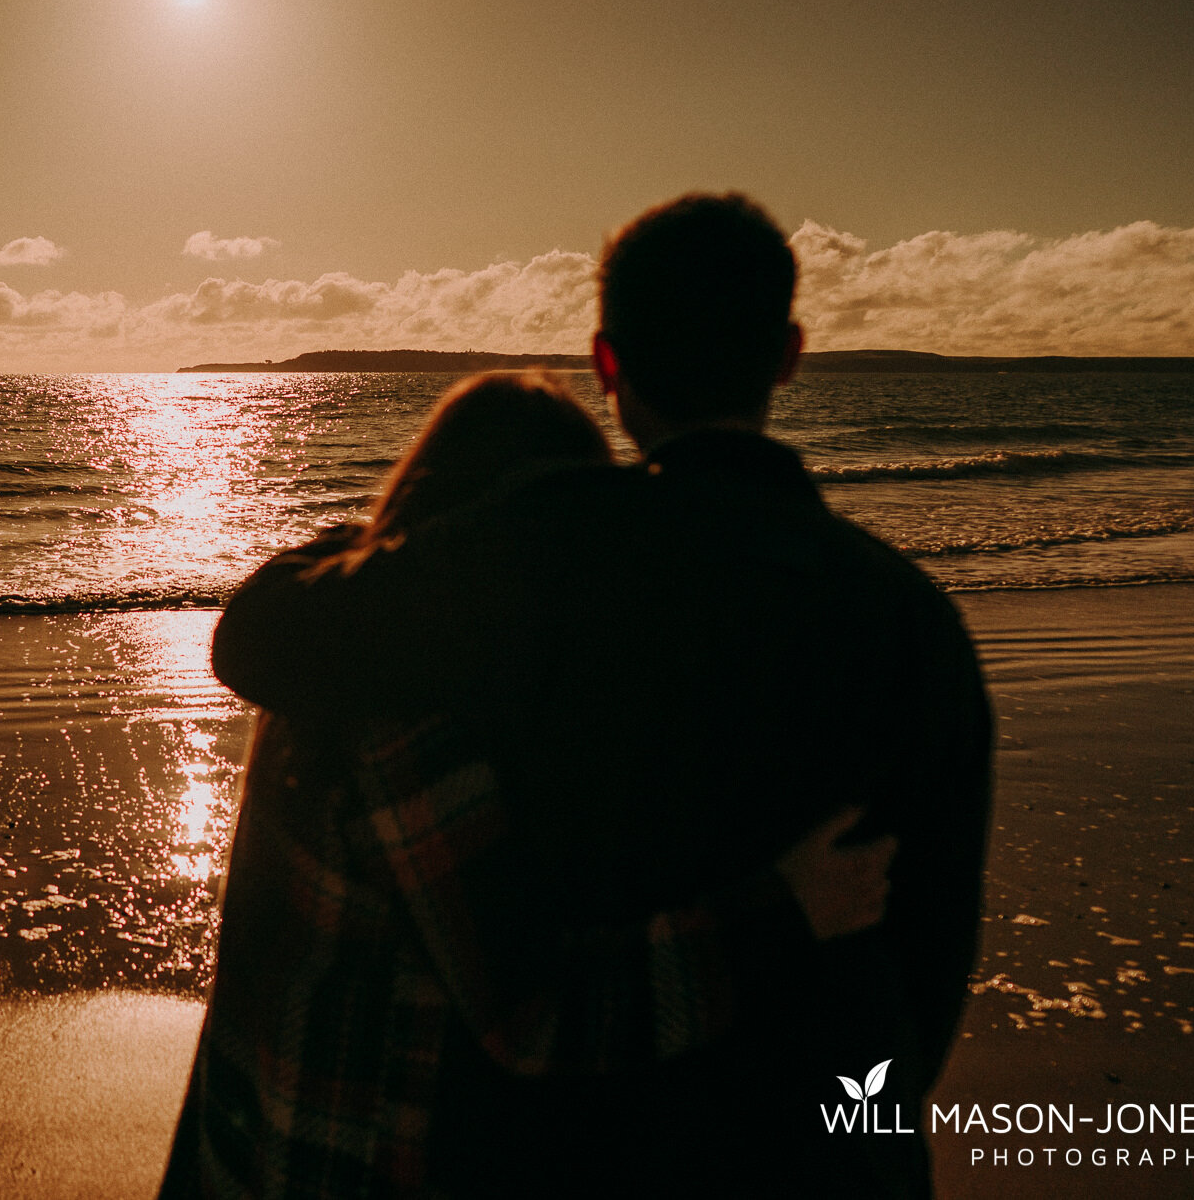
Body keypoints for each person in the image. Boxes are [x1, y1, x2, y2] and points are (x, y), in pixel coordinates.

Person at [206, 195, 994, 1196]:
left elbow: (265, 639)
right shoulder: (912, 618)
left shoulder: (530, 561)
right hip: (836, 1153)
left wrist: (381, 535)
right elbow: (930, 959)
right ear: (788, 353)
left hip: (591, 1149)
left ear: (606, 366)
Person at [161, 370, 904, 1199]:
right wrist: (782, 911)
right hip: (346, 1162)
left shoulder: (330, 646)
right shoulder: (402, 719)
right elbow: (535, 1015)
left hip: (247, 1136)